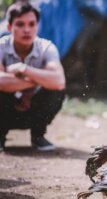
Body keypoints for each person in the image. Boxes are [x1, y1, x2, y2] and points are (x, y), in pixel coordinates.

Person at [0, 2, 65, 152]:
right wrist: (37, 81)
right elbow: (1, 82)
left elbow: (59, 81)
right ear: (9, 27)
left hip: (33, 110)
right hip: (6, 110)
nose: (27, 29)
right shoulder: (1, 46)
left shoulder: (46, 47)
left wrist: (24, 69)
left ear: (37, 26)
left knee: (56, 92)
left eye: (32, 24)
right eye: (20, 24)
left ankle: (38, 134)